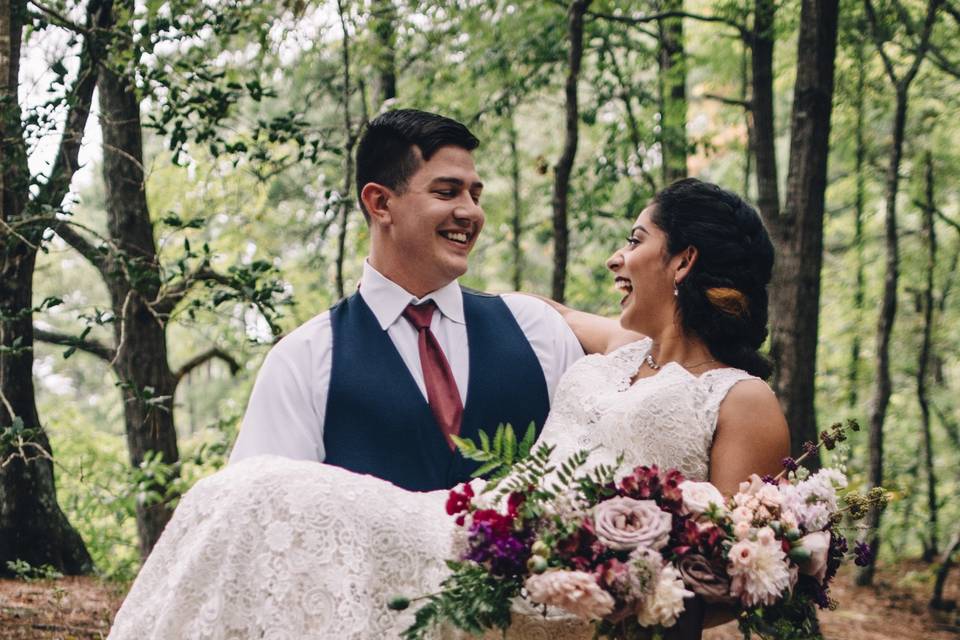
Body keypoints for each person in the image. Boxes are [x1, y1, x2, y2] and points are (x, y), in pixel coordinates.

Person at [108, 178, 790, 640]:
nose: (617, 256)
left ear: (683, 261)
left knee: (262, 493)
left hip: (548, 585)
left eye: (636, 240)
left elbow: (730, 574)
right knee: (241, 496)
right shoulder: (621, 350)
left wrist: (610, 583)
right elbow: (538, 311)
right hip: (473, 528)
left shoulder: (740, 398)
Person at [229, 109, 584, 491]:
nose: (471, 212)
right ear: (380, 203)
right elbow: (263, 513)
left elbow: (595, 469)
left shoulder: (537, 329)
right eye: (447, 192)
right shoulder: (303, 361)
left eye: (474, 194)